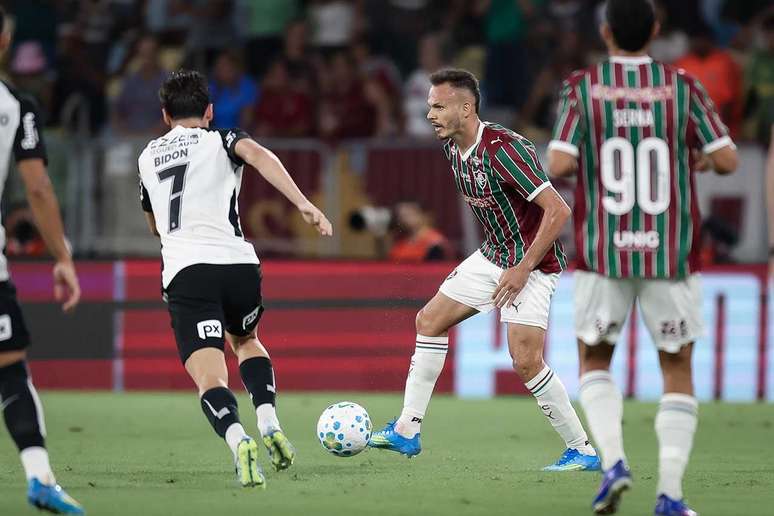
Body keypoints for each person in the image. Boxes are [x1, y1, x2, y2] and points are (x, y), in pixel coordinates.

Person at [547, 1, 738, 514]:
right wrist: (688, 151)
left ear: (605, 31)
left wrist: (599, 143)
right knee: (676, 366)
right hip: (670, 251)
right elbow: (726, 158)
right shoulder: (682, 86)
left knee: (595, 358)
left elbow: (558, 161)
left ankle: (612, 463)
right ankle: (671, 497)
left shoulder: (582, 87)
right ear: (655, 30)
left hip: (602, 250)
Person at [368, 69, 600, 473]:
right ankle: (407, 429)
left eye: (439, 107)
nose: (430, 115)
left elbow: (559, 210)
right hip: (493, 255)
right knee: (429, 320)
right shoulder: (452, 146)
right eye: (429, 107)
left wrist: (523, 268)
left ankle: (582, 450)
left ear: (466, 107)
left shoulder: (504, 149)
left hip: (533, 262)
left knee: (526, 360)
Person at [137, 70, 332, 488]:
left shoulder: (147, 156)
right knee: (246, 341)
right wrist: (303, 204)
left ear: (165, 114)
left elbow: (154, 225)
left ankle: (238, 437)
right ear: (208, 111)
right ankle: (269, 422)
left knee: (210, 376)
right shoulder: (223, 138)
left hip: (188, 271)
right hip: (239, 265)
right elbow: (260, 155)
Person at [0, 7, 84, 514]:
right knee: (10, 372)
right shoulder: (15, 107)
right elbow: (37, 186)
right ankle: (39, 478)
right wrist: (63, 257)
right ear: (5, 42)